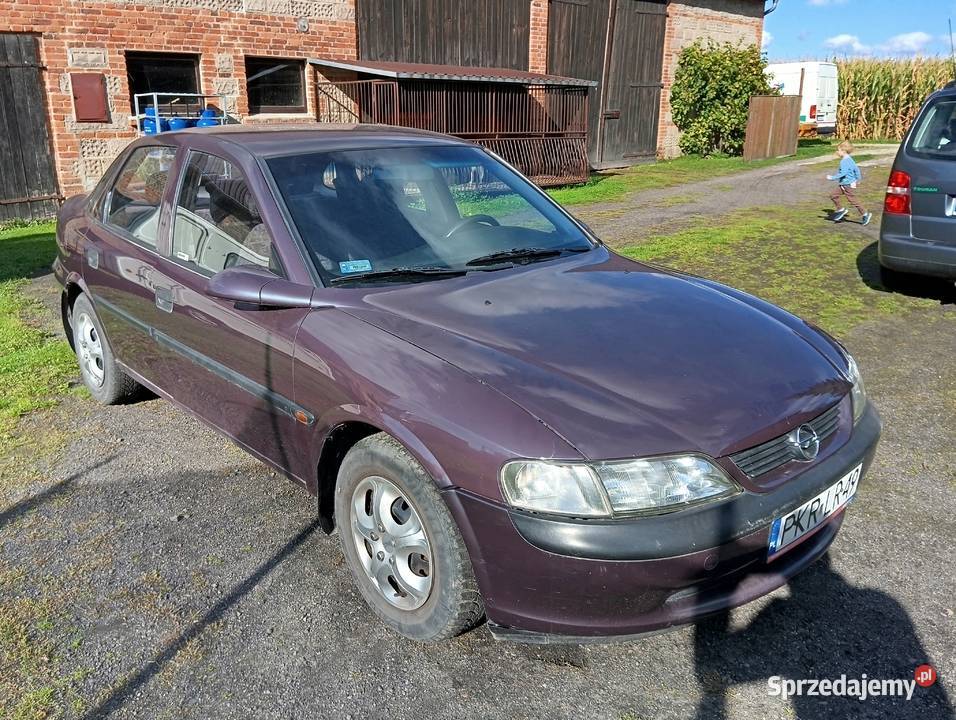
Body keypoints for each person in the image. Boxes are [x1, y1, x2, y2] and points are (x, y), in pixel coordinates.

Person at [828, 141, 872, 225]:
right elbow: (856, 170)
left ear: (843, 151)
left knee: (853, 201)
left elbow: (843, 173)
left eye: (839, 150)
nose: (837, 152)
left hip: (847, 185)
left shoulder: (844, 161)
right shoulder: (850, 159)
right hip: (844, 184)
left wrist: (832, 177)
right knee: (833, 195)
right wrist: (858, 179)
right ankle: (841, 210)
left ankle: (865, 214)